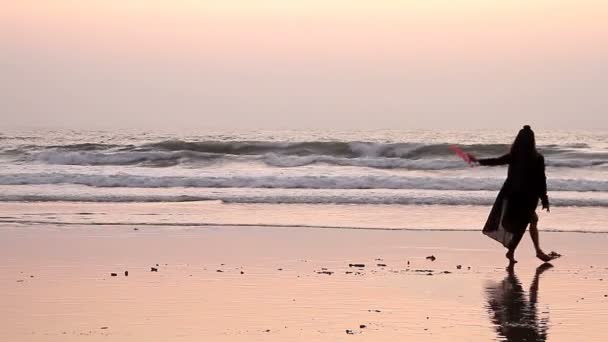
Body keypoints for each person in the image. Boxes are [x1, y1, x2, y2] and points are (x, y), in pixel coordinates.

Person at [468, 125, 558, 264]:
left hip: (513, 195)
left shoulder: (514, 155)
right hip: (528, 197)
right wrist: (544, 199)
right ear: (532, 141)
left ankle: (517, 252)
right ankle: (533, 252)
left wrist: (478, 161)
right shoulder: (537, 158)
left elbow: (496, 161)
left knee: (525, 223)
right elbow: (541, 180)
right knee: (526, 223)